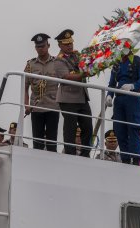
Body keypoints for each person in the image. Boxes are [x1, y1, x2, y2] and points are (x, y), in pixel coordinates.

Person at [54, 29, 93, 157]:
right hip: (68, 99)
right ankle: (70, 154)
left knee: (87, 126)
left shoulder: (77, 55)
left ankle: (85, 153)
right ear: (60, 45)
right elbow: (66, 76)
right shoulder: (58, 60)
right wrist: (83, 74)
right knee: (70, 128)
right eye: (66, 44)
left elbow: (88, 63)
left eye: (71, 43)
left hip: (82, 97)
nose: (70, 46)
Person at [106, 53, 140, 165]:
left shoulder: (139, 61)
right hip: (119, 99)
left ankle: (135, 160)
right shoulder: (116, 63)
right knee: (119, 130)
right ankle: (125, 159)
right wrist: (109, 95)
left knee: (133, 129)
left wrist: (133, 86)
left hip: (133, 98)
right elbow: (112, 83)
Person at [24, 33, 59, 152]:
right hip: (36, 107)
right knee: (37, 143)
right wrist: (26, 104)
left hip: (52, 107)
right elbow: (24, 87)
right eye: (38, 46)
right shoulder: (30, 65)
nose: (41, 48)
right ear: (35, 48)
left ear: (48, 45)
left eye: (43, 46)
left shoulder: (57, 63)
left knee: (52, 143)